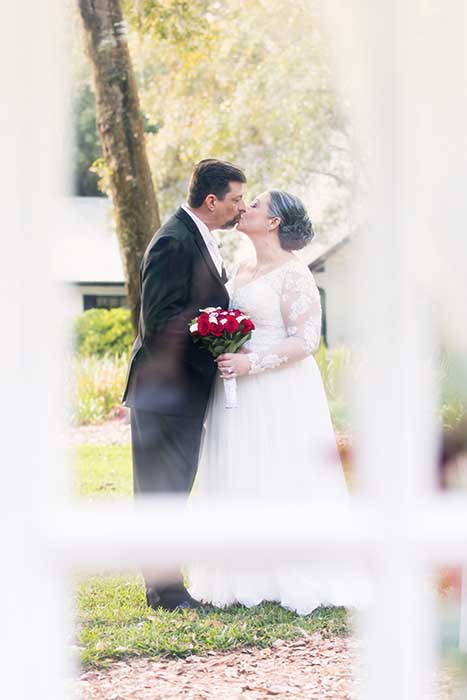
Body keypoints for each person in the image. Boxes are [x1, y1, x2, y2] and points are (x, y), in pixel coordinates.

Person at [188, 190, 363, 614]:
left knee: (281, 470)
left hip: (279, 387)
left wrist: (252, 363)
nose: (243, 207)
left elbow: (306, 341)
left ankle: (290, 569)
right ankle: (243, 570)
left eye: (255, 204)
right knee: (242, 467)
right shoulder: (241, 268)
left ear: (273, 223)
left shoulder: (294, 273)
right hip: (235, 386)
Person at [122, 158, 247, 610]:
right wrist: (215, 328)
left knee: (174, 488)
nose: (241, 207)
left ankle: (166, 587)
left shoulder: (198, 236)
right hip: (165, 390)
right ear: (211, 201)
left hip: (182, 392)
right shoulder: (173, 241)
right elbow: (159, 321)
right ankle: (166, 592)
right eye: (236, 200)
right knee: (161, 492)